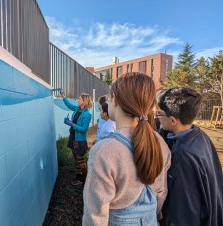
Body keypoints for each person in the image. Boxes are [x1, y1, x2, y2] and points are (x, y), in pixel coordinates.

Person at [83, 72, 171, 225]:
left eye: (110, 97)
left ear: (115, 99)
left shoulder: (104, 151)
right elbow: (160, 192)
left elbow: (95, 216)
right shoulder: (159, 142)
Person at [157, 87, 223, 226]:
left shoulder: (183, 155)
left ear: (173, 121)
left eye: (159, 114)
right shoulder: (199, 134)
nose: (157, 117)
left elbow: (183, 211)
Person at [61, 90, 92, 186]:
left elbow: (84, 129)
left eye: (79, 98)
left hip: (79, 140)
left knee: (80, 160)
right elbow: (69, 105)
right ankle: (79, 177)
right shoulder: (77, 109)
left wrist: (72, 124)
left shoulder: (87, 114)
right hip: (73, 137)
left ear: (84, 101)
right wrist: (63, 96)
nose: (77, 100)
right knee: (76, 158)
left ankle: (86, 179)